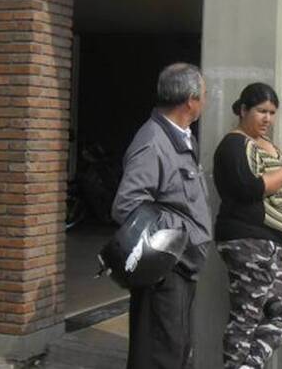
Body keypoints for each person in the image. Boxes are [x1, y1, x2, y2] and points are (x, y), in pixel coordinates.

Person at [213, 82, 282, 369]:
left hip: (270, 243)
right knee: (246, 317)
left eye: (272, 112)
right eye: (261, 111)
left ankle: (248, 365)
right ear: (243, 110)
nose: (267, 119)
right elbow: (249, 188)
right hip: (247, 239)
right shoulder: (234, 145)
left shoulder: (269, 146)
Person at [112, 62, 212, 369]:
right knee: (160, 356)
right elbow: (126, 204)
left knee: (176, 350)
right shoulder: (153, 141)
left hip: (180, 268)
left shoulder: (181, 137)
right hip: (166, 271)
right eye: (204, 95)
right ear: (190, 101)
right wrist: (180, 235)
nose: (205, 101)